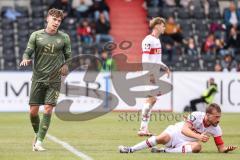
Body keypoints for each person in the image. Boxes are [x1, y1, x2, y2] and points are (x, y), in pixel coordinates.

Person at [19, 8, 71, 151]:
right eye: (54, 19)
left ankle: (39, 142)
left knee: (48, 109)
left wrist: (66, 65)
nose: (56, 23)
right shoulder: (36, 35)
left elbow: (68, 56)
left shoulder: (64, 37)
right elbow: (28, 51)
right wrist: (25, 58)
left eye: (59, 21)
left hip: (54, 79)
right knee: (33, 112)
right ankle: (38, 134)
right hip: (38, 78)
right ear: (48, 18)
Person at [119, 103, 237, 153]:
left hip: (185, 143)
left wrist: (226, 149)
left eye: (219, 117)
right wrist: (199, 136)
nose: (218, 119)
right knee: (163, 138)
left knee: (197, 147)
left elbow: (220, 148)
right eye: (216, 117)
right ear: (208, 115)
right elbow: (184, 130)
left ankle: (164, 151)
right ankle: (130, 149)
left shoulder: (216, 129)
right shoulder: (196, 115)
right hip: (175, 133)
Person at [138, 17, 170, 136]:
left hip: (154, 73)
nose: (164, 28)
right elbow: (145, 59)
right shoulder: (148, 40)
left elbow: (157, 59)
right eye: (162, 25)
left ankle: (144, 128)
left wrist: (165, 67)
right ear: (156, 26)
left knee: (152, 100)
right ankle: (142, 128)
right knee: (151, 99)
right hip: (149, 73)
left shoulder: (157, 40)